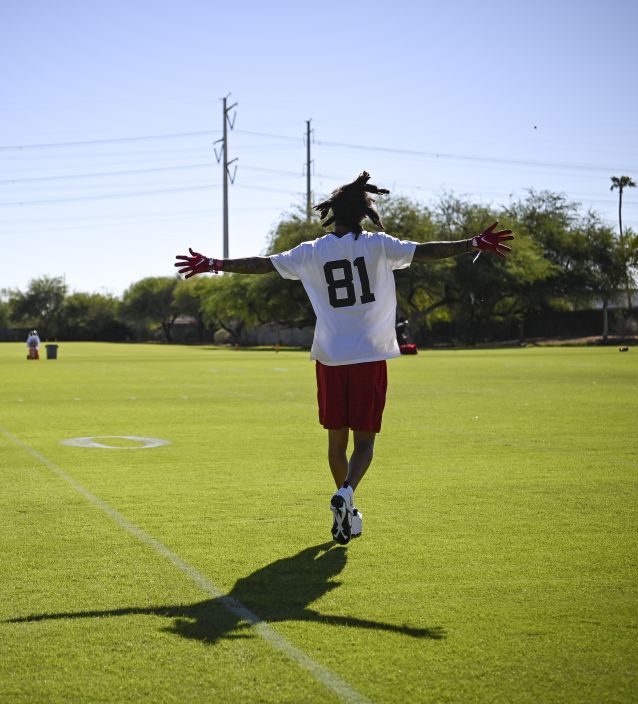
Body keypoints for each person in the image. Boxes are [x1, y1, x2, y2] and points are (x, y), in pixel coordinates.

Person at [174, 171, 513, 545]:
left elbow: (262, 264)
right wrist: (472, 243)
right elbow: (426, 251)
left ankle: (345, 504)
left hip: (331, 358)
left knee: (337, 442)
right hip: (369, 356)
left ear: (332, 214)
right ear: (364, 212)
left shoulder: (311, 251)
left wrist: (214, 264)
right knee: (364, 443)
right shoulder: (378, 245)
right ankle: (347, 494)